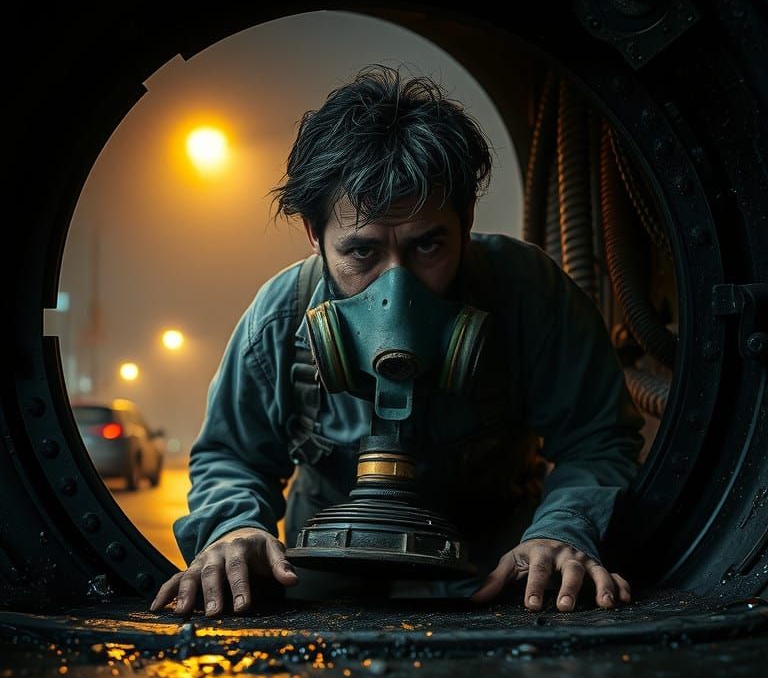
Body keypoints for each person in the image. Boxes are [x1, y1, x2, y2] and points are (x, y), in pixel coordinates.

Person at [150, 66, 645, 618]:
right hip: (324, 575)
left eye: (428, 246)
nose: (397, 291)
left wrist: (562, 531)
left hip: (494, 578)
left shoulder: (528, 297)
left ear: (466, 221)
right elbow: (231, 455)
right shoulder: (280, 317)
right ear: (316, 237)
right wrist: (233, 527)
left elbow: (597, 441)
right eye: (361, 252)